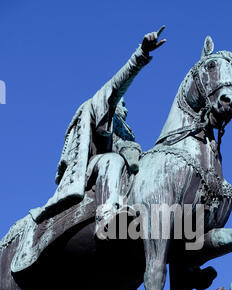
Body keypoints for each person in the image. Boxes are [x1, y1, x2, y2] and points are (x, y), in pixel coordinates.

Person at [31, 27, 166, 242]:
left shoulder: (126, 132)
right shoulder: (100, 106)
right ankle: (107, 217)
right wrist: (141, 54)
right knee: (111, 161)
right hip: (93, 168)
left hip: (123, 174)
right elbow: (116, 86)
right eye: (122, 103)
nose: (126, 109)